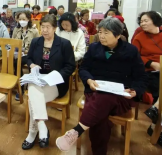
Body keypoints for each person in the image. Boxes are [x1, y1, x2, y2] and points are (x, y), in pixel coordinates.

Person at [56, 17, 147, 154]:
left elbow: (141, 77)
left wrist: (135, 90)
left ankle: (77, 130)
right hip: (95, 90)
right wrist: (89, 80)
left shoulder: (131, 51)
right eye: (100, 32)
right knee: (101, 112)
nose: (101, 36)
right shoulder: (94, 48)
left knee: (105, 98)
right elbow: (84, 68)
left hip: (120, 97)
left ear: (117, 35)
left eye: (106, 33)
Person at [22, 14, 76, 150]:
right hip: (38, 79)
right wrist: (32, 65)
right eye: (43, 27)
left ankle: (33, 132)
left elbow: (70, 67)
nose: (44, 30)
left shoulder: (64, 44)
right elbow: (28, 59)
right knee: (34, 89)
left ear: (54, 28)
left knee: (32, 97)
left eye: (48, 27)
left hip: (55, 83)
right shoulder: (36, 42)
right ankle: (41, 127)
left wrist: (56, 75)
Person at [132, 11, 162, 105]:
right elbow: (134, 56)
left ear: (155, 21)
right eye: (141, 21)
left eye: (145, 21)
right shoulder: (139, 37)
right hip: (148, 70)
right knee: (157, 84)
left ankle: (156, 108)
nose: (142, 23)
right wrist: (151, 64)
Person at [12, 10, 40, 101]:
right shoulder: (16, 30)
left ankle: (29, 84)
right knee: (15, 61)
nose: (22, 21)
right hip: (18, 53)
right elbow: (12, 41)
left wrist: (27, 51)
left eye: (24, 19)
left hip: (29, 54)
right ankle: (20, 87)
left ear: (28, 19)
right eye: (20, 19)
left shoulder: (34, 30)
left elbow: (38, 45)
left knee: (23, 62)